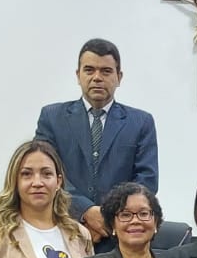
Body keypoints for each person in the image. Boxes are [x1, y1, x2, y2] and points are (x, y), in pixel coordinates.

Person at [34, 38, 158, 245]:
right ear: (78, 75)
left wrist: (109, 217)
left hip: (118, 236)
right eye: (89, 70)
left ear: (119, 77)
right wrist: (85, 211)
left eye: (106, 71)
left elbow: (147, 181)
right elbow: (45, 174)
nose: (97, 78)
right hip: (62, 230)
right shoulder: (52, 117)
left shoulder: (140, 122)